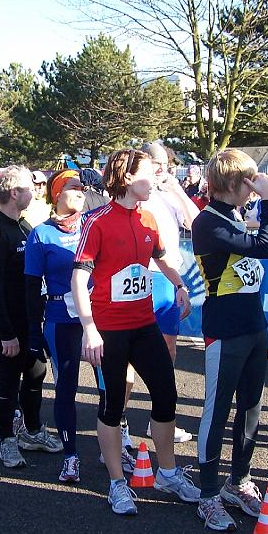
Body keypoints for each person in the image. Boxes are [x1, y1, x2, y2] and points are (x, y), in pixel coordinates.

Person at [71, 148, 199, 516]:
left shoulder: (147, 219)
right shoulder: (97, 222)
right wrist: (89, 328)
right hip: (109, 330)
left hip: (144, 324)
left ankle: (168, 473)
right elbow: (79, 277)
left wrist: (179, 285)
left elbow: (159, 256)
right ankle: (116, 483)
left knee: (167, 394)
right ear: (126, 177)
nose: (155, 179)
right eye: (148, 173)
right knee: (112, 406)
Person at [191, 149, 268, 531]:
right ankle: (207, 494)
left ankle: (237, 480)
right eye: (250, 180)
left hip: (253, 324)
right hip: (225, 328)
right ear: (233, 183)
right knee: (218, 408)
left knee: (252, 406)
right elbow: (267, 247)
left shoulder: (233, 214)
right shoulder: (207, 222)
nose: (255, 186)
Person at [0, 165, 63, 467]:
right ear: (14, 193)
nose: (36, 192)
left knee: (37, 372)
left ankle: (33, 430)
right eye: (30, 188)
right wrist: (5, 334)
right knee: (9, 381)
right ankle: (8, 440)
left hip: (31, 322)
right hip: (9, 325)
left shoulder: (26, 227)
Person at [25, 169, 105, 482]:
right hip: (60, 318)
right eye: (73, 187)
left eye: (83, 188)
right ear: (57, 193)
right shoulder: (41, 234)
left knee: (107, 386)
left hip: (96, 316)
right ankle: (71, 457)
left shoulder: (93, 223)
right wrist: (33, 330)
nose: (81, 191)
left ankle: (114, 444)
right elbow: (31, 287)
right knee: (66, 389)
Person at [119, 141, 199, 446]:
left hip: (168, 278)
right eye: (156, 163)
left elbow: (196, 223)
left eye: (167, 163)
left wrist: (177, 191)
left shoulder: (169, 194)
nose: (163, 168)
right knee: (126, 356)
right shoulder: (136, 193)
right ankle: (121, 423)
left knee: (168, 352)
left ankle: (161, 419)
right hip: (139, 277)